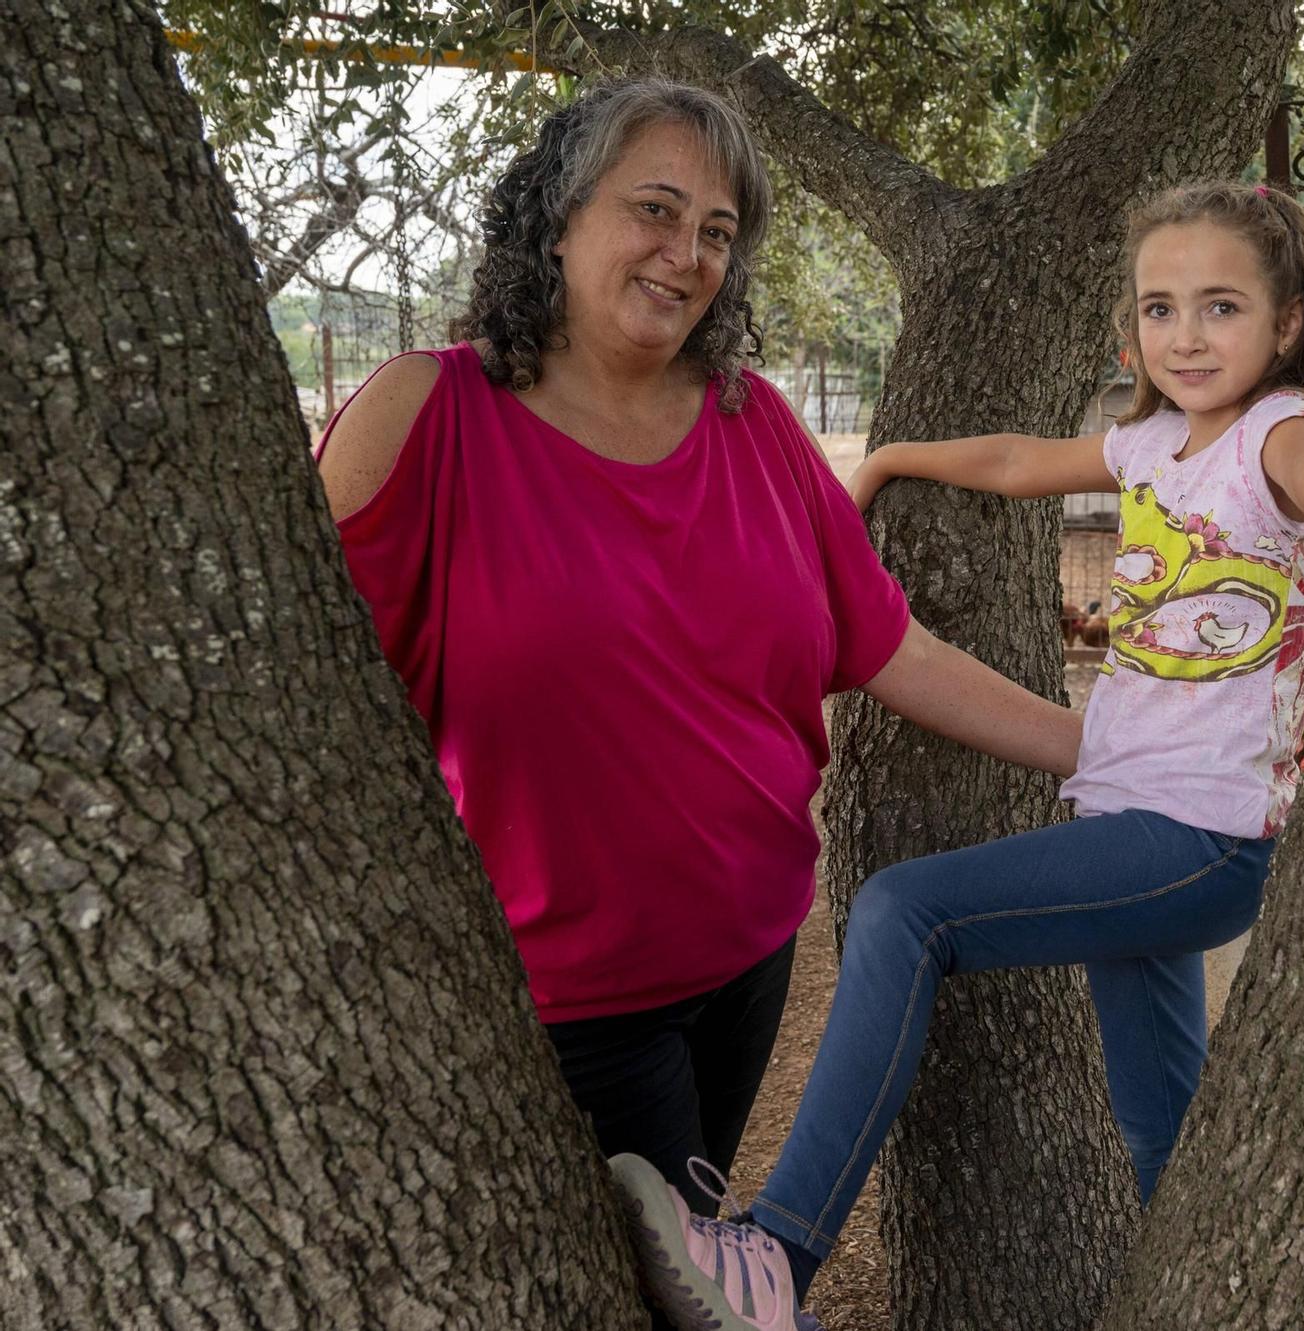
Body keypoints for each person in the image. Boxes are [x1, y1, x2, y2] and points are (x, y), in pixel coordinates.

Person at [609, 179, 1304, 1331]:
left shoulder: (1280, 433)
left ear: (1283, 324)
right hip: (1130, 826)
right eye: (1158, 307)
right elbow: (1023, 458)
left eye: (1220, 307)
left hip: (1197, 836)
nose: (1183, 335)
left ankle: (775, 1253)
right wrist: (885, 464)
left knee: (901, 912)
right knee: (1158, 1124)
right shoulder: (1154, 444)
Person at [312, 77, 1082, 1253]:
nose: (686, 254)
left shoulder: (751, 419)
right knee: (668, 1285)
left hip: (750, 951)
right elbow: (319, 712)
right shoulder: (424, 414)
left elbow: (890, 645)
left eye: (716, 232)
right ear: (557, 217)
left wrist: (1109, 748)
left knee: (696, 1259)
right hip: (569, 996)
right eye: (656, 211)